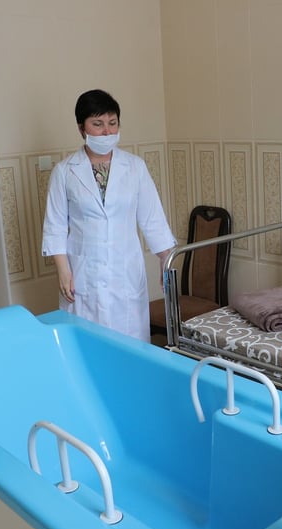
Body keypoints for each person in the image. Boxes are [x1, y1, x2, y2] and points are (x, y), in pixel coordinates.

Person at [42, 89, 176, 343]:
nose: (107, 131)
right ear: (81, 128)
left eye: (112, 123)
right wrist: (63, 270)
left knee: (130, 346)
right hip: (84, 275)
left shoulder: (134, 167)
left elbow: (153, 218)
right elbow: (55, 225)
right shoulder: (65, 171)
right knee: (88, 346)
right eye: (98, 124)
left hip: (125, 272)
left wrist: (165, 261)